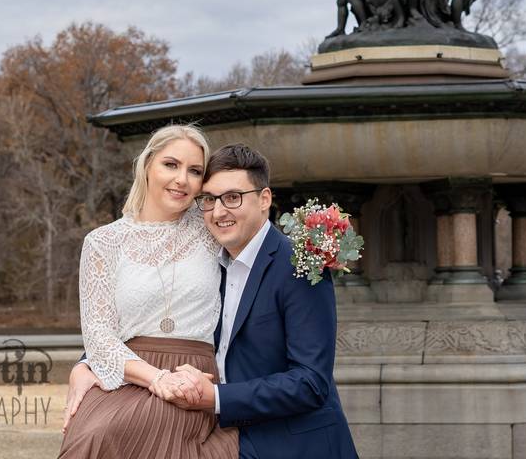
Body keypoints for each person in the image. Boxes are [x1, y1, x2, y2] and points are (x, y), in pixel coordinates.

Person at [67, 144, 358, 459]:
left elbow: (311, 382)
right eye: (209, 200)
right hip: (222, 430)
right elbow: (151, 310)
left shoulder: (298, 264)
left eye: (233, 197)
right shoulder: (211, 257)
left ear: (264, 199)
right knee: (97, 438)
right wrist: (86, 363)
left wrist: (217, 398)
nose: (219, 212)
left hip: (291, 442)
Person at [58, 125, 238, 459]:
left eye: (195, 171)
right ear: (147, 166)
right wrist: (153, 378)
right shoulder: (103, 242)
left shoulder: (212, 228)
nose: (182, 179)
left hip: (192, 376)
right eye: (171, 165)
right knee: (92, 436)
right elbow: (98, 333)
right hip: (127, 374)